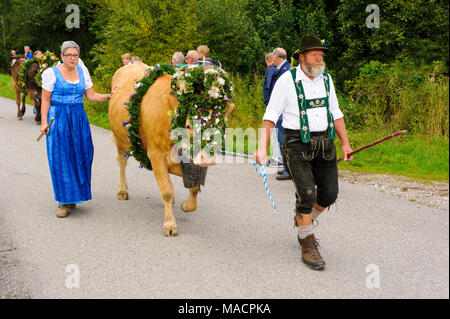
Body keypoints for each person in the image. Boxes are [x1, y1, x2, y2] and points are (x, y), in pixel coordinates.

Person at [253, 34, 353, 271]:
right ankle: (307, 243)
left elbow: (336, 113)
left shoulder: (326, 79)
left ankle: (303, 219)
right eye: (314, 54)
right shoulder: (287, 80)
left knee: (329, 194)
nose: (319, 58)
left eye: (321, 54)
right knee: (307, 193)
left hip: (325, 142)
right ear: (301, 57)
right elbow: (270, 116)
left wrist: (345, 143)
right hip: (297, 142)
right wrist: (261, 147)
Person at [40, 41, 115, 218]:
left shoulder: (82, 72)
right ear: (62, 57)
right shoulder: (51, 73)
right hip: (58, 117)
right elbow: (45, 100)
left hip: (79, 117)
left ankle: (75, 195)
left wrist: (110, 95)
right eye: (69, 55)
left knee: (83, 154)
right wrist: (44, 122)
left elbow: (91, 95)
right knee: (62, 157)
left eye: (75, 55)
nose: (72, 58)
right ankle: (63, 202)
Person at [270, 48, 291, 180]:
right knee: (280, 139)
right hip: (279, 110)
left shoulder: (286, 71)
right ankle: (286, 168)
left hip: (283, 111)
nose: (272, 60)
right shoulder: (281, 70)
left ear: (277, 57)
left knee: (284, 141)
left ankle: (288, 170)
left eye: (273, 57)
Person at [263, 52, 282, 168]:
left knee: (274, 132)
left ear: (267, 61)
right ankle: (278, 157)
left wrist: (269, 102)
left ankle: (276, 158)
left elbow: (268, 86)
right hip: (276, 105)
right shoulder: (278, 70)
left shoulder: (271, 70)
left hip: (272, 105)